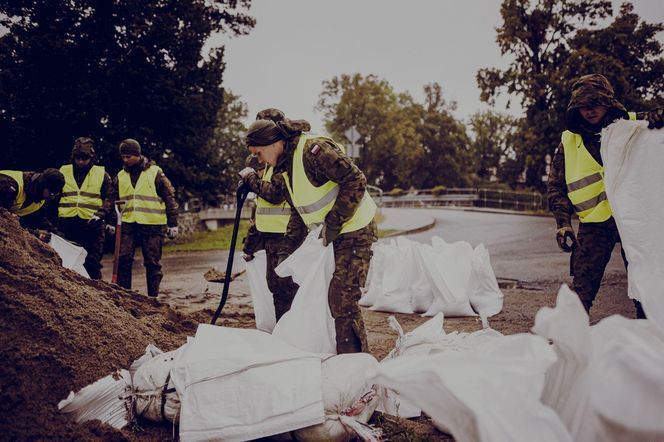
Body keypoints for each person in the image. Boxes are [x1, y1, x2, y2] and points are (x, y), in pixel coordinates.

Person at [241, 110, 378, 354]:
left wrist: (334, 223)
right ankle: (343, 360)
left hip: (355, 231)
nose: (259, 160)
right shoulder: (286, 166)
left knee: (342, 301)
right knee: (325, 300)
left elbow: (356, 180)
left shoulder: (313, 151)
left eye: (258, 153)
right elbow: (298, 212)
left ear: (272, 143)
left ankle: (358, 367)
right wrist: (287, 252)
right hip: (334, 235)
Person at [547, 73, 664, 318]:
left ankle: (649, 335)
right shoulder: (569, 141)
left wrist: (659, 117)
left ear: (608, 102)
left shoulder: (635, 125)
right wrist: (563, 224)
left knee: (644, 282)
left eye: (595, 104)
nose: (589, 111)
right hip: (594, 224)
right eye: (583, 106)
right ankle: (569, 339)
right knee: (582, 287)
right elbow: (556, 186)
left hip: (633, 222)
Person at [240, 109, 304, 321]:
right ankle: (283, 330)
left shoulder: (284, 160)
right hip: (270, 235)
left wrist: (250, 179)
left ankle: (293, 333)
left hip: (287, 235)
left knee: (287, 286)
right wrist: (250, 245)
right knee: (276, 286)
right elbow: (261, 209)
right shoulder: (268, 164)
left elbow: (274, 194)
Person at [109, 138, 179, 297]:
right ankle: (125, 296)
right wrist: (109, 221)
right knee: (124, 260)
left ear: (137, 155)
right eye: (123, 157)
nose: (125, 160)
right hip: (128, 223)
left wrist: (173, 223)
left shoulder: (155, 172)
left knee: (152, 263)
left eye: (129, 157)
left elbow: (169, 197)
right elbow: (111, 199)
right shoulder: (120, 176)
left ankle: (153, 298)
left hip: (152, 224)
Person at [57, 137, 112, 279]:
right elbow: (53, 197)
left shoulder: (102, 175)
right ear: (73, 156)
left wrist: (101, 215)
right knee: (68, 263)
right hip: (67, 224)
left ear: (91, 157)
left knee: (92, 264)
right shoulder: (63, 172)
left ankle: (96, 295)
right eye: (78, 158)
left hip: (92, 225)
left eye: (85, 158)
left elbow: (110, 199)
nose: (81, 161)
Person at [0, 167, 64, 241]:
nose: (51, 197)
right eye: (51, 193)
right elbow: (4, 220)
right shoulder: (9, 187)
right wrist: (34, 233)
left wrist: (56, 233)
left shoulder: (39, 198)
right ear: (43, 185)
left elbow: (38, 218)